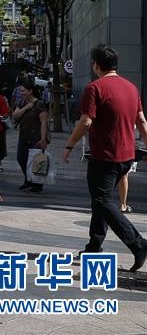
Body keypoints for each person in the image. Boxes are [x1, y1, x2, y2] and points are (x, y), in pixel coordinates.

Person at [63, 45, 147, 272]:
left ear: (95, 64)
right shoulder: (131, 87)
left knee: (101, 200)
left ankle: (138, 244)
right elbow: (141, 121)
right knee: (100, 200)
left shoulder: (95, 88)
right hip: (127, 156)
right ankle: (94, 246)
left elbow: (86, 121)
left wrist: (69, 144)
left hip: (105, 156)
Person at [13, 80, 49, 193]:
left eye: (23, 91)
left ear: (30, 91)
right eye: (21, 91)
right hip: (24, 136)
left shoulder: (39, 104)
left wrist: (43, 139)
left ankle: (37, 184)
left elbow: (44, 122)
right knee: (21, 158)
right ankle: (28, 180)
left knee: (37, 161)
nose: (21, 93)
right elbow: (15, 116)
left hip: (36, 137)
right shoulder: (23, 103)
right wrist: (26, 108)